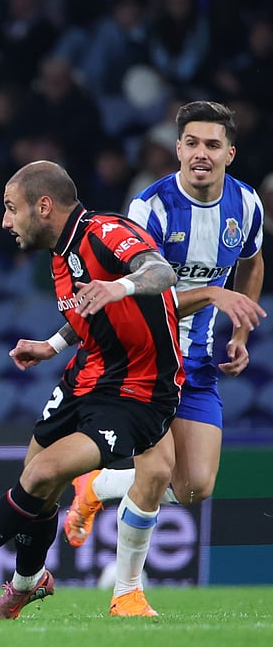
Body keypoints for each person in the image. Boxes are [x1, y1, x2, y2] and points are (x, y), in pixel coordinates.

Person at [0, 160, 183, 619]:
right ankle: (29, 582)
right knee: (36, 480)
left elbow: (160, 272)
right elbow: (86, 310)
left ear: (44, 206)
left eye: (11, 208)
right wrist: (52, 345)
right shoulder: (59, 254)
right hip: (88, 372)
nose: (5, 221)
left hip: (138, 390)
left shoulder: (105, 232)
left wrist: (120, 287)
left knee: (41, 475)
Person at [64, 103, 265, 568]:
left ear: (230, 154)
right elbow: (141, 300)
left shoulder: (246, 204)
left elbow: (253, 262)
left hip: (196, 362)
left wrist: (240, 332)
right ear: (177, 149)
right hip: (146, 361)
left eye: (212, 145)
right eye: (191, 143)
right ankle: (127, 590)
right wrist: (212, 292)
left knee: (195, 487)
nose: (200, 153)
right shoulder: (150, 208)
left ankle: (97, 485)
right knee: (156, 472)